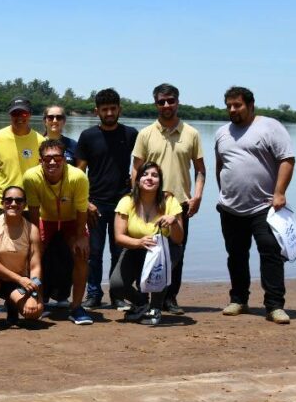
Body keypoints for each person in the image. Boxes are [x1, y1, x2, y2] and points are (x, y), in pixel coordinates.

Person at [214, 87, 296, 324]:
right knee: (236, 255)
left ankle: (274, 306)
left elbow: (287, 159)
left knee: (270, 253)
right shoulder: (222, 132)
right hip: (230, 207)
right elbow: (220, 165)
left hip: (264, 206)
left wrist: (280, 192)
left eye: (237, 105)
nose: (232, 110)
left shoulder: (270, 127)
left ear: (250, 105)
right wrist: (223, 193)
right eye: (229, 105)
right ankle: (239, 300)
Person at [132, 83, 205, 314]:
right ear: (156, 104)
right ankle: (142, 295)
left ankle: (169, 298)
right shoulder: (145, 134)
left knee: (176, 252)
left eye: (170, 100)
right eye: (161, 101)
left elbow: (201, 170)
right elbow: (136, 169)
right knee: (145, 249)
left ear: (177, 102)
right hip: (148, 202)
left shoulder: (191, 133)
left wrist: (198, 197)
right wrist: (134, 197)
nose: (166, 105)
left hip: (179, 203)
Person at [75, 88, 138, 311]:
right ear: (97, 111)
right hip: (95, 203)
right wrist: (84, 202)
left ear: (119, 109)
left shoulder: (130, 134)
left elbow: (138, 167)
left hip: (123, 203)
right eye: (105, 109)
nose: (109, 113)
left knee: (119, 252)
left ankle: (117, 294)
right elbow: (78, 173)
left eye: (113, 108)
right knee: (93, 252)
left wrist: (135, 195)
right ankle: (93, 294)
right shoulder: (88, 136)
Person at [23, 140, 93, 325]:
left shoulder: (78, 177)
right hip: (45, 219)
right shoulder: (31, 177)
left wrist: (80, 237)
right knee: (35, 254)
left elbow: (82, 210)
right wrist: (35, 239)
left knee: (81, 254)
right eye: (47, 158)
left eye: (57, 158)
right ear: (40, 161)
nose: (52, 162)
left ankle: (77, 306)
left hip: (72, 220)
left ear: (64, 159)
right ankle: (39, 301)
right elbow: (33, 211)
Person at [110, 162, 185, 326]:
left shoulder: (170, 200)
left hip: (164, 250)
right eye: (145, 174)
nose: (149, 178)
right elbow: (119, 237)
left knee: (158, 273)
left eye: (154, 175)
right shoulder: (127, 201)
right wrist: (138, 242)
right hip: (136, 247)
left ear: (160, 181)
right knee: (116, 285)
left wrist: (174, 223)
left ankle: (156, 308)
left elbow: (178, 240)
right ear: (137, 180)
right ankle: (142, 303)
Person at [0, 97, 44, 244]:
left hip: (26, 203)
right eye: (15, 114)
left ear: (30, 114)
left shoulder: (40, 141)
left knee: (26, 248)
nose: (19, 118)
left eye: (23, 114)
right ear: (10, 115)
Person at [0, 186, 44, 330]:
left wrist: (34, 294)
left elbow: (35, 266)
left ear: (25, 204)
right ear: (2, 203)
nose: (13, 204)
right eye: (9, 200)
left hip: (16, 281)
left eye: (18, 200)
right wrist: (19, 279)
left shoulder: (32, 230)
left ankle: (12, 304)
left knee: (35, 312)